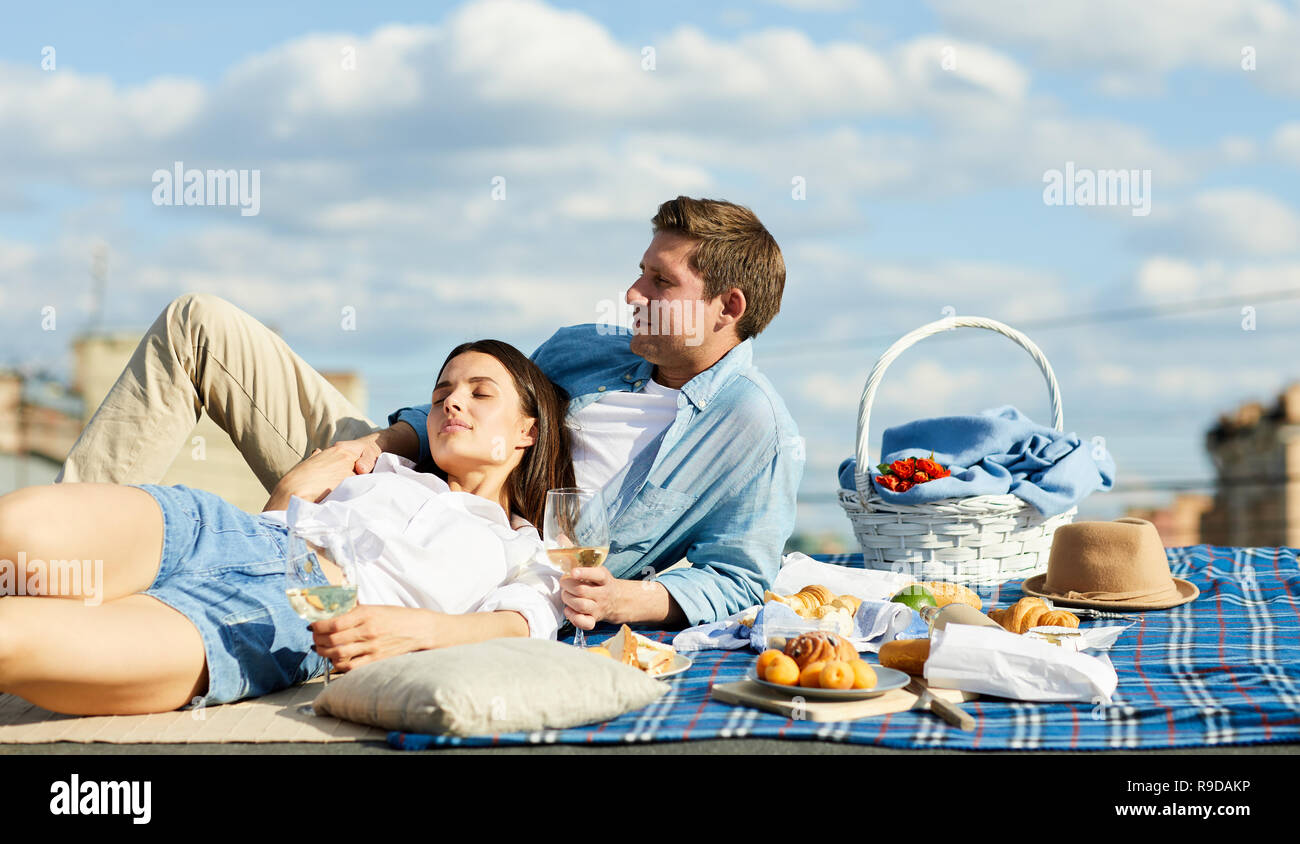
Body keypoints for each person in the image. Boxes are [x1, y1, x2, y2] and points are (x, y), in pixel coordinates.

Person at [57, 196, 804, 631]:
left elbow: (739, 574)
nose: (632, 293)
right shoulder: (584, 349)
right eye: (639, 272)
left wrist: (633, 597)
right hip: (406, 472)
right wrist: (375, 441)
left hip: (481, 555)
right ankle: (55, 555)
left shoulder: (752, 426)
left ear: (726, 308)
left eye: (657, 280)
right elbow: (466, 398)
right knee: (201, 321)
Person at [0, 340, 573, 715]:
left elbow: (523, 624)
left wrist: (421, 630)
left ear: (527, 430)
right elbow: (286, 508)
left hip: (284, 617)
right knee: (16, 534)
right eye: (441, 393)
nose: (452, 403)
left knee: (14, 638)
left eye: (480, 393)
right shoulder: (383, 464)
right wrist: (291, 493)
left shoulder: (523, 546)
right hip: (222, 530)